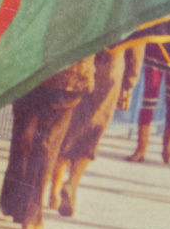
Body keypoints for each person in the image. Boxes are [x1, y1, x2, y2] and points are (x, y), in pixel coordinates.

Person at [0, 57, 95, 229]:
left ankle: (12, 202)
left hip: (30, 68)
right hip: (69, 77)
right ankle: (31, 214)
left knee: (23, 134)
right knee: (47, 143)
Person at [49, 45, 138, 217]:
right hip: (111, 66)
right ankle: (72, 183)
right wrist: (129, 83)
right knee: (94, 130)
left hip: (82, 60)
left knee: (69, 125)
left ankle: (55, 190)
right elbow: (138, 42)